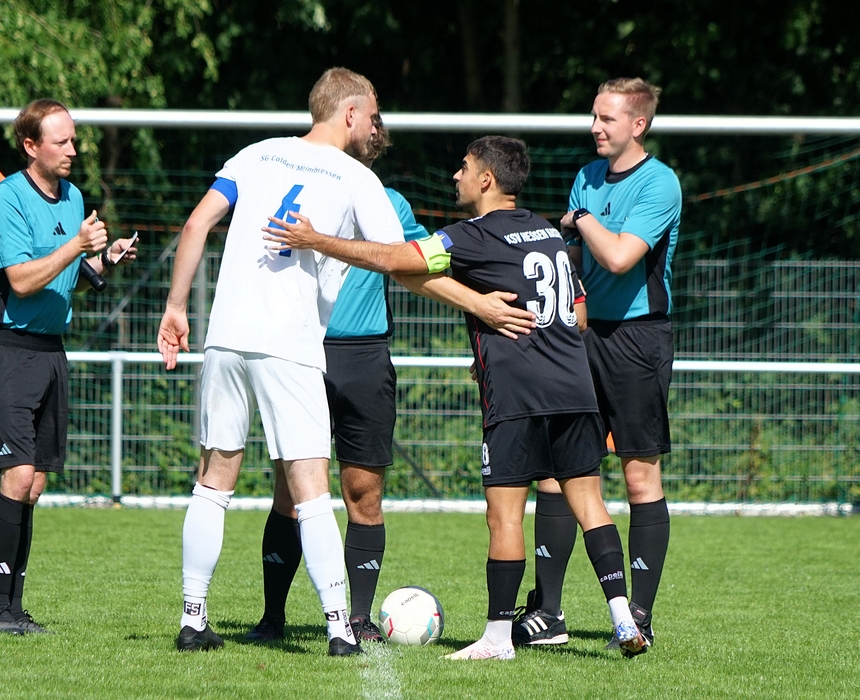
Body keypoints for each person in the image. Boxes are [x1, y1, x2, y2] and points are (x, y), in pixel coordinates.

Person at [158, 68, 535, 657]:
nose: (376, 124)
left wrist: (177, 307)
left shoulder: (254, 155)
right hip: (290, 345)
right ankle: (339, 628)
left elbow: (196, 223)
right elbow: (401, 263)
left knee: (212, 483)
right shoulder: (355, 176)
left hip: (225, 337)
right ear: (351, 112)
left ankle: (192, 618)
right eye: (373, 112)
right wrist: (476, 302)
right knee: (311, 493)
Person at [263, 135, 649, 659]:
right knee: (591, 504)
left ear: (486, 179)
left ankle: (497, 638)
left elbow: (396, 259)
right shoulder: (546, 232)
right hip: (576, 386)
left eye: (464, 168)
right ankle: (624, 620)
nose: (456, 176)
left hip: (518, 394)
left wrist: (317, 240)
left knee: (504, 516)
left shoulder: (472, 235)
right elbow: (577, 315)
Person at [245, 118, 431, 645]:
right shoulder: (297, 193)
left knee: (363, 493)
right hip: (300, 353)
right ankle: (272, 618)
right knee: (290, 491)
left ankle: (360, 617)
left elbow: (424, 263)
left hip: (365, 357)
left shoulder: (392, 205)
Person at [513, 78, 680, 651]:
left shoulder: (660, 183)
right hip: (581, 338)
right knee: (557, 469)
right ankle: (548, 613)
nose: (595, 128)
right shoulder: (587, 175)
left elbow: (618, 256)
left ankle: (639, 616)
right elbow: (577, 264)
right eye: (594, 116)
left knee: (638, 475)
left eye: (607, 119)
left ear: (638, 125)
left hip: (638, 340)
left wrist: (578, 219)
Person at [0, 98, 137, 635]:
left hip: (51, 350)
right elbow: (22, 280)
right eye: (61, 141)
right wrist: (77, 245)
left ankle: (15, 609)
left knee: (36, 481)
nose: (73, 149)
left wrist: (104, 259)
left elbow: (70, 277)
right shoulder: (7, 198)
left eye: (73, 138)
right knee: (18, 475)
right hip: (9, 349)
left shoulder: (73, 197)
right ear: (31, 146)